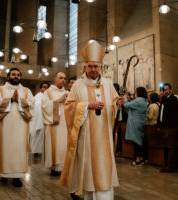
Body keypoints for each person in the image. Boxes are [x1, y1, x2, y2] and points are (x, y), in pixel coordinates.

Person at [60, 40, 121, 200]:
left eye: (96, 66)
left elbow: (114, 104)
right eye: (90, 66)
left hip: (104, 136)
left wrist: (118, 104)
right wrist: (87, 105)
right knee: (87, 168)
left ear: (101, 67)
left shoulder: (108, 84)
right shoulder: (78, 85)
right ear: (85, 67)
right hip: (86, 136)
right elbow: (69, 107)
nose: (93, 69)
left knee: (104, 167)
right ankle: (86, 194)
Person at [0, 68, 34, 187]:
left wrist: (18, 100)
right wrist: (9, 100)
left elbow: (31, 104)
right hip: (5, 126)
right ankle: (3, 174)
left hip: (21, 126)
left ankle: (17, 177)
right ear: (8, 76)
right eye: (13, 74)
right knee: (5, 148)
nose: (16, 76)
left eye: (18, 75)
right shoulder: (1, 89)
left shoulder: (26, 90)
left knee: (19, 150)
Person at [41, 72, 68, 176]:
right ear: (55, 79)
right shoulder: (48, 92)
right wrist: (58, 101)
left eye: (64, 78)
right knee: (54, 145)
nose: (63, 80)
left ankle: (64, 167)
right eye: (60, 78)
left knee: (63, 145)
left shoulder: (67, 92)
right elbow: (44, 106)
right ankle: (54, 168)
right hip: (53, 123)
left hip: (65, 124)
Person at [157, 83, 178, 172]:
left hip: (171, 126)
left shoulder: (174, 98)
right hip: (164, 126)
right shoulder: (163, 99)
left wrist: (162, 98)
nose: (165, 92)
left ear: (171, 90)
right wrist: (159, 124)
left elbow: (173, 110)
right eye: (164, 90)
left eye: (166, 90)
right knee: (166, 146)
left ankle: (171, 167)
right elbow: (161, 112)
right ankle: (166, 164)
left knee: (171, 147)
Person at [122, 87, 148, 166]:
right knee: (138, 140)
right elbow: (131, 108)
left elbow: (126, 105)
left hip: (136, 124)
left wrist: (125, 98)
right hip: (139, 123)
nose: (135, 93)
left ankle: (139, 159)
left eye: (136, 92)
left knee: (137, 141)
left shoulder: (139, 100)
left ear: (138, 93)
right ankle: (140, 158)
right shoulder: (143, 101)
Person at [29, 82, 49, 157]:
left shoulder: (49, 96)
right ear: (40, 88)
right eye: (44, 87)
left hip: (46, 119)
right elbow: (34, 106)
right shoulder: (37, 97)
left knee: (44, 137)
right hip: (37, 120)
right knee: (36, 136)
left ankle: (42, 151)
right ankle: (35, 151)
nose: (45, 89)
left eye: (47, 87)